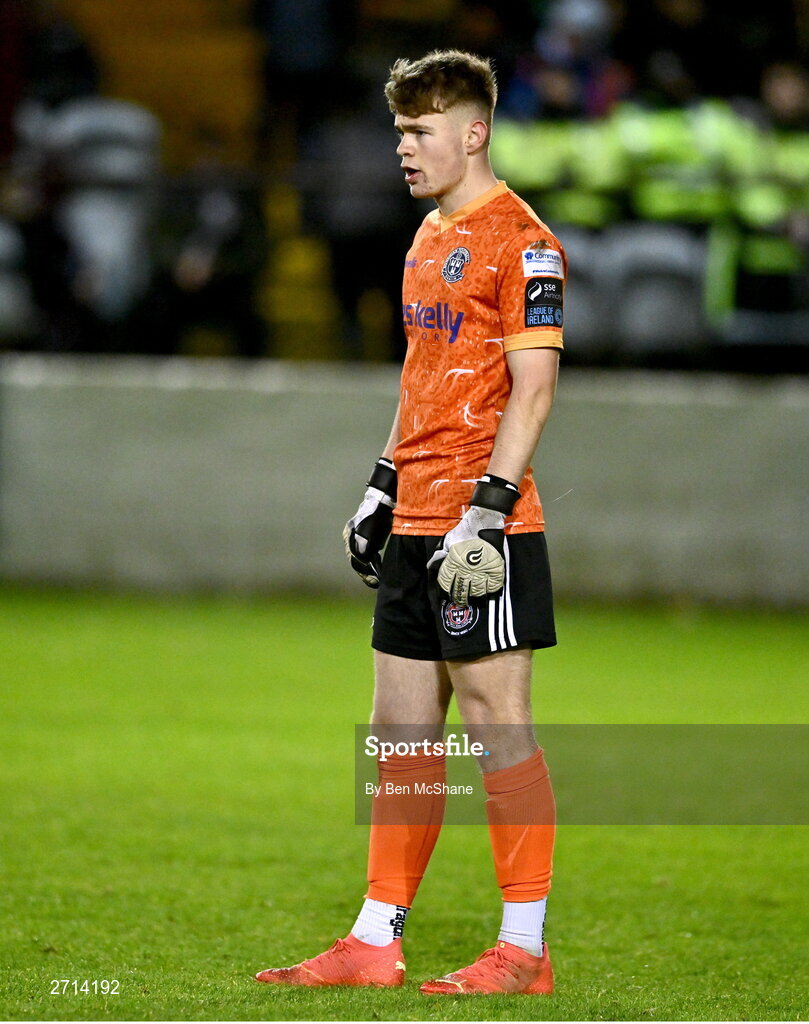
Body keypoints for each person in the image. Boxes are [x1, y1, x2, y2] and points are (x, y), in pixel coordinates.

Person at [255, 49, 565, 996]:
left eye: (420, 130)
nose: (403, 147)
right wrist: (382, 485)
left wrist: (489, 510)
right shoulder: (426, 236)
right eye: (398, 130)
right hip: (417, 518)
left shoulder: (525, 241)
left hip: (485, 526)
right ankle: (374, 939)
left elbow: (534, 388)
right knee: (399, 731)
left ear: (473, 133)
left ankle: (524, 950)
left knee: (495, 725)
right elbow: (421, 372)